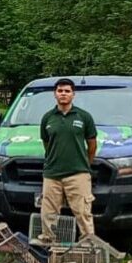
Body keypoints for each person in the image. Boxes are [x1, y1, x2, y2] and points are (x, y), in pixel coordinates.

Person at [39, 78, 98, 237]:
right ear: (55, 94)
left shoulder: (84, 117)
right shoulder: (47, 118)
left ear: (73, 94)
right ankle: (49, 246)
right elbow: (47, 144)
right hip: (52, 174)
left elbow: (92, 144)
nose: (63, 94)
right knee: (48, 215)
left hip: (78, 173)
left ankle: (87, 245)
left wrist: (85, 164)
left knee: (83, 213)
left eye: (67, 91)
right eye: (60, 91)